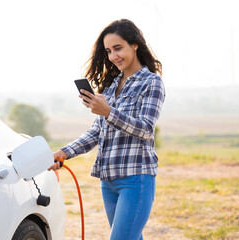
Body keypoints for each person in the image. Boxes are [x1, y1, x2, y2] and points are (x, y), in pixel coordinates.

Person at [49, 19, 165, 240]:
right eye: (109, 51)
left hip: (135, 178)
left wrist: (108, 112)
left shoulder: (152, 82)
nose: (113, 56)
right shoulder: (111, 86)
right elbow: (96, 132)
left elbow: (146, 128)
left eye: (118, 48)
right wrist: (64, 152)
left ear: (135, 45)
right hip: (108, 180)